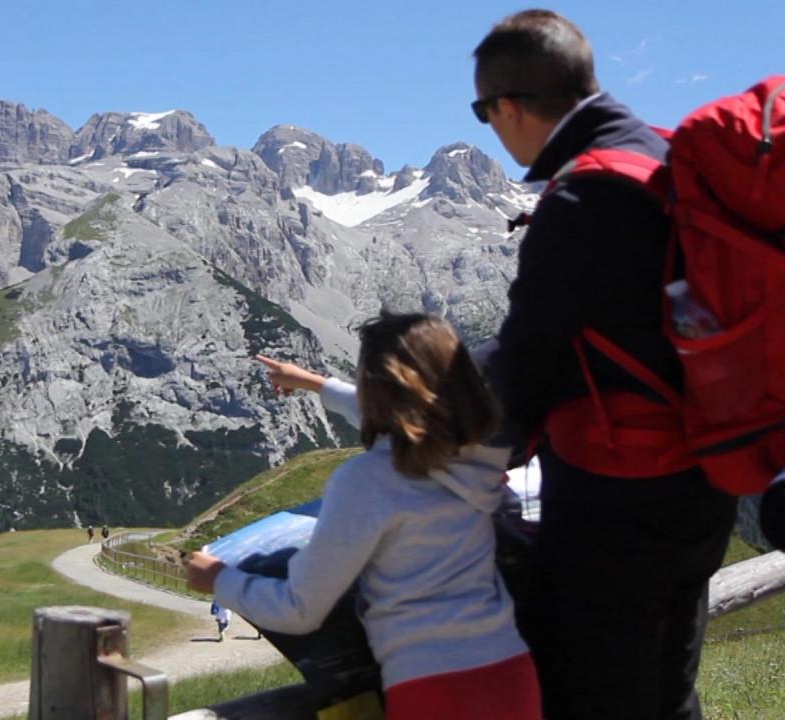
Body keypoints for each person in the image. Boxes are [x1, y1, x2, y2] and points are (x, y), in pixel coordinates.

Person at [471, 10, 738, 719]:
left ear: (509, 106)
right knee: (669, 692)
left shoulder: (584, 197)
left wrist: (465, 471)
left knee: (593, 698)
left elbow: (528, 358)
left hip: (616, 497)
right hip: (705, 479)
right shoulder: (665, 158)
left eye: (483, 112)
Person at [188, 313, 541, 720]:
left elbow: (300, 609)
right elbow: (409, 422)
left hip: (432, 687)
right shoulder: (476, 457)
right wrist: (314, 383)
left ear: (378, 393)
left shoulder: (367, 481)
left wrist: (218, 578)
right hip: (512, 674)